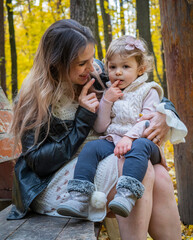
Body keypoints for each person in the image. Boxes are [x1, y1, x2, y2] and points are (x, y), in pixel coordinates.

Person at [7, 19, 186, 240]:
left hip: (97, 159)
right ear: (57, 64)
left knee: (159, 175)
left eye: (92, 59)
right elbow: (39, 163)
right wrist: (83, 118)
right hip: (55, 184)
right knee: (134, 163)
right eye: (82, 63)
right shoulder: (36, 98)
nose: (93, 67)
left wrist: (164, 114)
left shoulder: (95, 72)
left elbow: (140, 89)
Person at [56, 35, 187, 219]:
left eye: (125, 67)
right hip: (114, 140)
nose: (118, 72)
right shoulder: (108, 90)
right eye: (113, 67)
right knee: (91, 148)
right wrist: (107, 101)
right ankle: (79, 197)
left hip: (144, 142)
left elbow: (147, 120)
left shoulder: (149, 90)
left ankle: (126, 194)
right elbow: (102, 127)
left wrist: (130, 137)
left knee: (139, 148)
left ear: (140, 69)